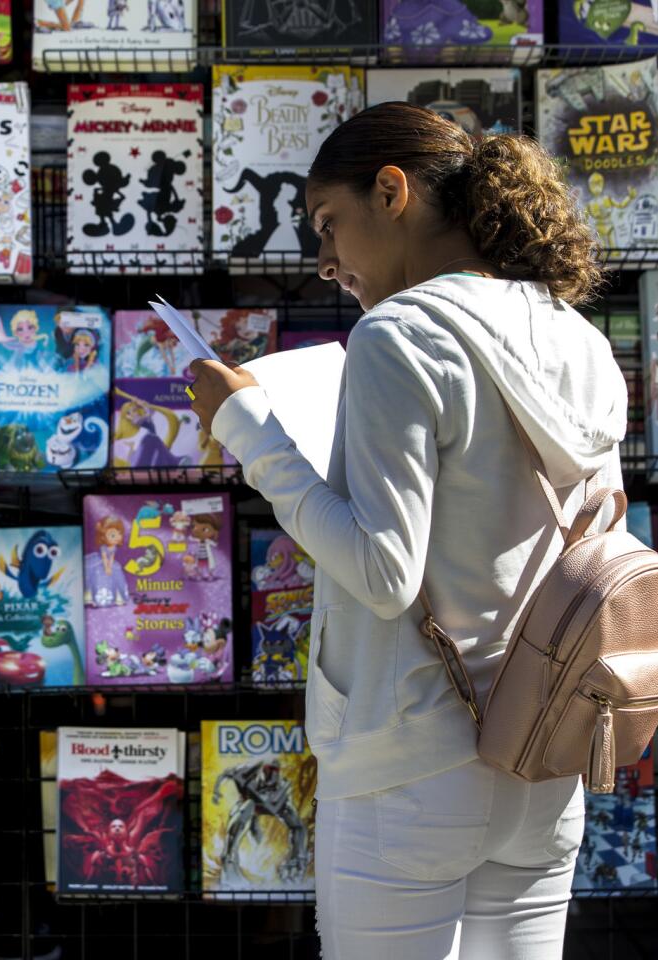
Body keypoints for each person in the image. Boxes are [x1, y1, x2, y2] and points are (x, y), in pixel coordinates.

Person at [186, 102, 625, 959]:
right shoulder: (577, 335)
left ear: (392, 191)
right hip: (541, 750)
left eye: (329, 224)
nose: (324, 262)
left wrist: (252, 434)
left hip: (408, 760)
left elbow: (384, 573)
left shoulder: (397, 335)